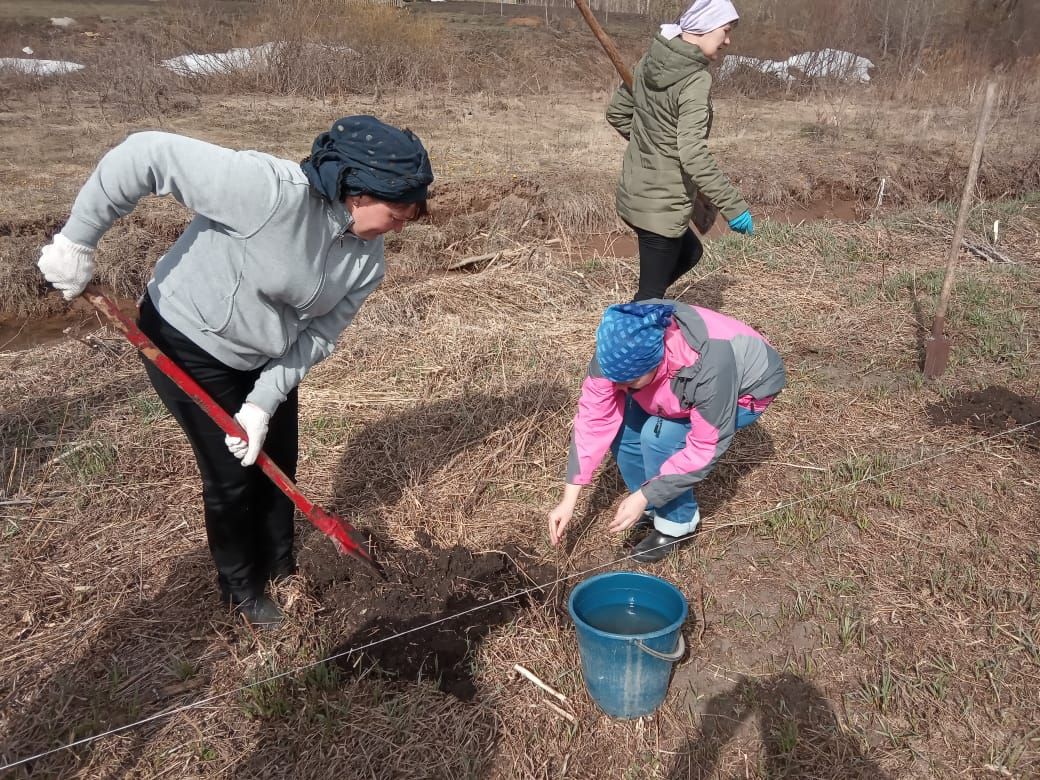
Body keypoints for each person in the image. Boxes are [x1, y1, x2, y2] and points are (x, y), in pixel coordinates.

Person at [37, 116, 433, 626]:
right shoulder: (267, 192)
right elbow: (144, 154)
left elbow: (318, 336)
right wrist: (77, 239)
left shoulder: (367, 260)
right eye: (397, 214)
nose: (400, 229)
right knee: (231, 475)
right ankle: (241, 589)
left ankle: (282, 564)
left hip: (268, 352)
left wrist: (263, 400)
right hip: (189, 340)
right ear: (358, 194)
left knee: (278, 458)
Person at [548, 301, 784, 562]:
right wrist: (569, 500)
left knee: (658, 436)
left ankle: (677, 524)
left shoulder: (708, 365)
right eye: (616, 382)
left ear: (656, 362)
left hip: (748, 387)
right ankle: (648, 505)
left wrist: (648, 492)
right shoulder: (617, 348)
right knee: (623, 427)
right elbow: (593, 421)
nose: (620, 389)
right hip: (676, 381)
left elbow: (705, 447)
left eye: (628, 384)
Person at [605, 0, 753, 302]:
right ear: (703, 28)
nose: (728, 40)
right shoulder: (696, 79)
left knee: (690, 251)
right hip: (659, 205)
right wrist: (733, 206)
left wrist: (653, 143)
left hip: (636, 195)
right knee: (649, 301)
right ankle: (625, 335)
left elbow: (618, 112)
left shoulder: (651, 58)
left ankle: (642, 305)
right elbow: (693, 155)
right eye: (724, 31)